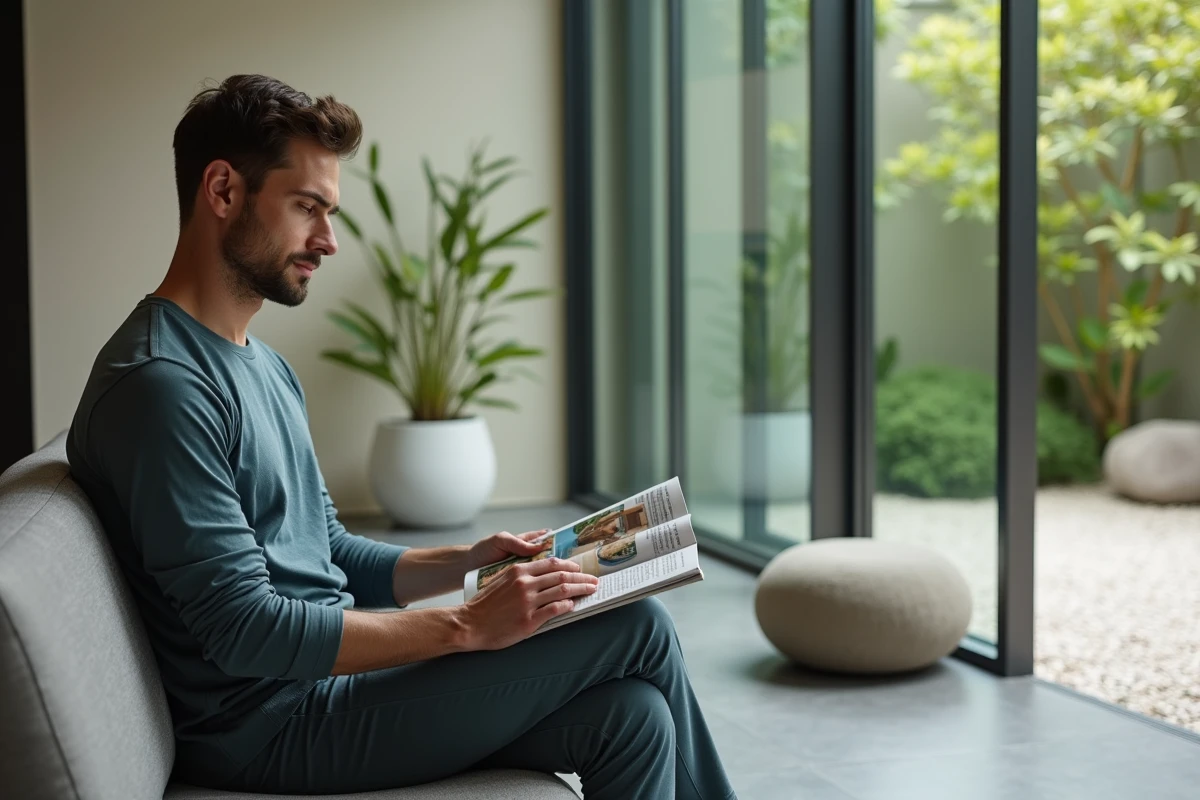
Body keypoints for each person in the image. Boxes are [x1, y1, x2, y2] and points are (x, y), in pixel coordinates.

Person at [65, 74, 736, 800]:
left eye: (330, 211)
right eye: (307, 208)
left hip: (323, 690)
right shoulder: (161, 386)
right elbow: (245, 630)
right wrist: (467, 624)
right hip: (271, 724)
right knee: (636, 625)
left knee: (632, 719)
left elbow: (326, 549)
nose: (327, 239)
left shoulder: (262, 365)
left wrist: (468, 561)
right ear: (223, 191)